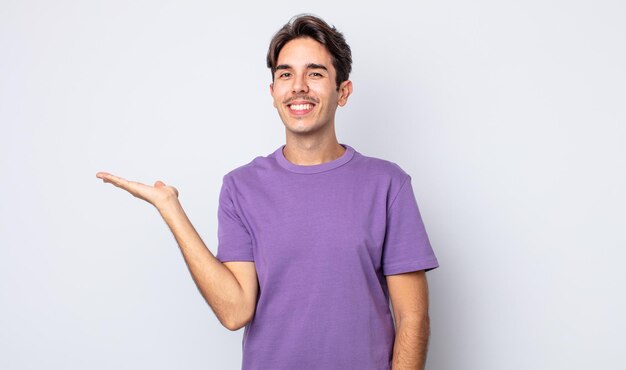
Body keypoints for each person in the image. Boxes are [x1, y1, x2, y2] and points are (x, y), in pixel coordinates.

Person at [96, 14, 439, 370]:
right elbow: (234, 311)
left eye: (316, 73)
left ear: (343, 91)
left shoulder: (387, 184)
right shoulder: (241, 187)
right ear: (273, 92)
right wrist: (170, 209)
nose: (298, 86)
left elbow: (412, 317)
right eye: (285, 74)